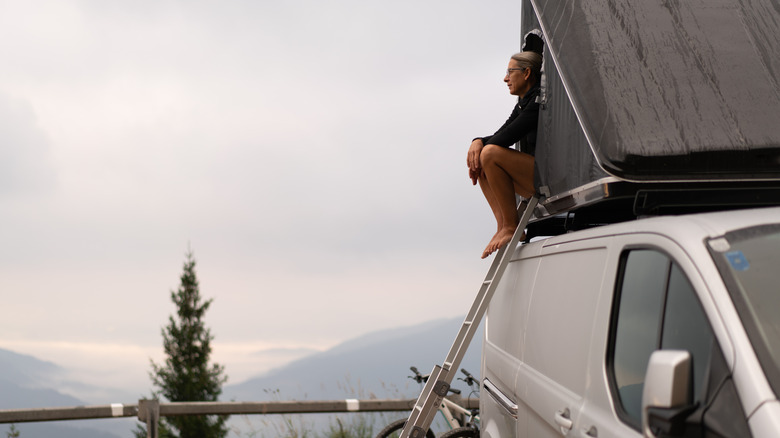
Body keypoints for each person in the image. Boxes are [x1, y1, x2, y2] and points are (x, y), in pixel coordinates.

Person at [467, 51, 542, 259]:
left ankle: (510, 226)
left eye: (510, 72)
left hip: (551, 177)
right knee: (482, 159)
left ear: (527, 73)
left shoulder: (537, 100)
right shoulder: (523, 102)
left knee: (489, 154)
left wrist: (481, 146)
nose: (505, 78)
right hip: (534, 174)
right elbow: (502, 132)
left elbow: (507, 137)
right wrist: (477, 140)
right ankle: (502, 226)